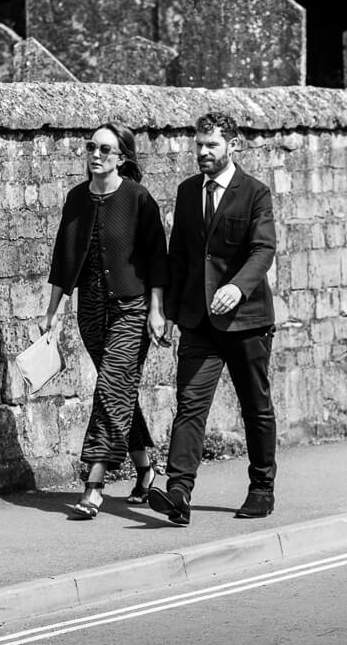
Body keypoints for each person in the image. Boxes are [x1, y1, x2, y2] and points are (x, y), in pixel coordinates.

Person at [149, 111, 278, 526]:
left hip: (247, 321)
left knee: (255, 407)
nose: (202, 152)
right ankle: (178, 493)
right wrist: (167, 311)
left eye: (211, 146)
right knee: (189, 406)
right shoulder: (188, 192)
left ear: (233, 146)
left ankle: (261, 488)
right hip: (198, 323)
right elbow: (180, 255)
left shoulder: (255, 193)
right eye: (199, 145)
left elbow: (263, 250)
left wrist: (237, 287)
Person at [40, 122, 171, 519]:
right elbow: (64, 257)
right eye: (90, 147)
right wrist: (52, 311)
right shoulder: (77, 198)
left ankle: (93, 484)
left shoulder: (138, 199)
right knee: (119, 392)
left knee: (111, 386)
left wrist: (157, 310)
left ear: (122, 158)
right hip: (92, 310)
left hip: (132, 307)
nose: (95, 155)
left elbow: (157, 260)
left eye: (105, 150)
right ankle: (146, 469)